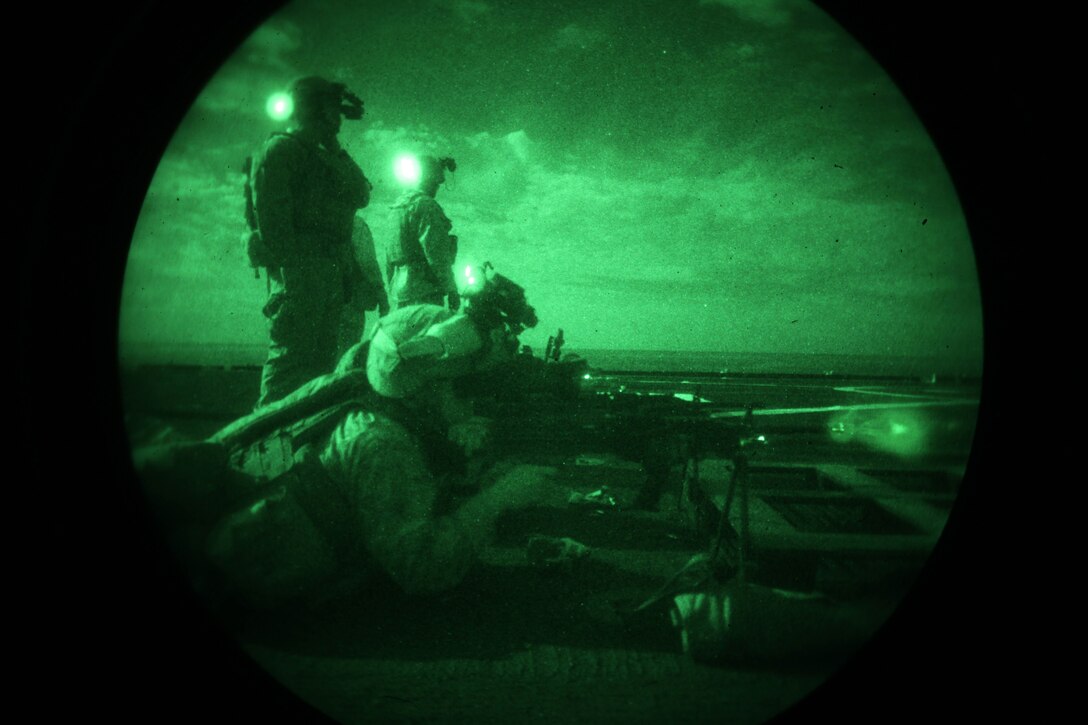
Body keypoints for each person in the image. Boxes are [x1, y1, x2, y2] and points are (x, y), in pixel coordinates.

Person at [134, 297, 557, 614]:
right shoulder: (383, 443)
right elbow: (420, 567)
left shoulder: (358, 393)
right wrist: (499, 499)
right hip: (251, 581)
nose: (472, 401)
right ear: (426, 387)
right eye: (463, 388)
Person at [248, 75, 373, 408]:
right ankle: (257, 449)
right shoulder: (281, 150)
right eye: (333, 107)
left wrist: (335, 148)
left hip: (329, 275)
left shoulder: (326, 157)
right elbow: (274, 227)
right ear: (315, 108)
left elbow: (362, 194)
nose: (339, 117)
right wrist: (296, 278)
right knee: (287, 371)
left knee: (318, 375)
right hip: (299, 276)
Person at [386, 155, 460, 311]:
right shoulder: (427, 206)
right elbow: (436, 254)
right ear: (429, 179)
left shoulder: (395, 209)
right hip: (425, 290)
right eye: (436, 183)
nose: (437, 188)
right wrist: (451, 289)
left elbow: (390, 258)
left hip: (400, 292)